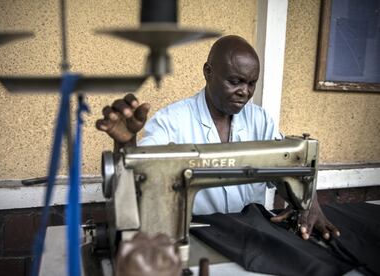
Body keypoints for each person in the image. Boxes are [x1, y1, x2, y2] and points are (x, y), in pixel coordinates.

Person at [96, 35, 340, 241]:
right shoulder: (171, 121)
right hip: (196, 236)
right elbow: (139, 175)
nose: (245, 91)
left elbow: (290, 170)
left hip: (251, 236)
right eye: (235, 81)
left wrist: (308, 205)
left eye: (251, 83)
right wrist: (126, 145)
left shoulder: (260, 120)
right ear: (208, 72)